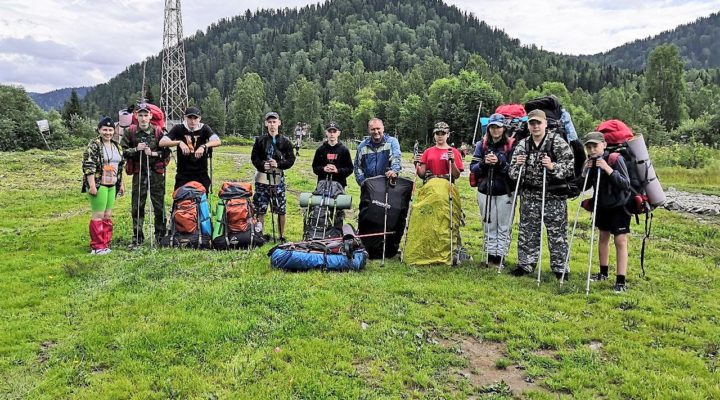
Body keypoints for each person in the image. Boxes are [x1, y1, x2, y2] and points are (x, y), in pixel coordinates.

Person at [508, 109, 574, 279]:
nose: (535, 126)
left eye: (538, 122)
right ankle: (526, 264)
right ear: (528, 125)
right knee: (527, 232)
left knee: (557, 234)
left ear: (545, 123)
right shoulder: (523, 145)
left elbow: (570, 167)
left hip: (553, 197)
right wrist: (518, 165)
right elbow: (512, 174)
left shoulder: (557, 143)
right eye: (532, 123)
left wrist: (553, 167)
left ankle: (560, 268)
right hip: (530, 195)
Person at [581, 132, 632, 292]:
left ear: (603, 144)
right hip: (601, 205)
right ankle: (603, 273)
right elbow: (586, 185)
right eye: (589, 147)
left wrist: (607, 169)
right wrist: (585, 171)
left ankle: (621, 281)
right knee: (603, 237)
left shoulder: (615, 159)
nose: (592, 150)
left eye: (595, 146)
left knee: (620, 241)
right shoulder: (591, 161)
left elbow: (625, 184)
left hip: (620, 205)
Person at [470, 113, 516, 268]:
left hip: (505, 191)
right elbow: (473, 168)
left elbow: (514, 172)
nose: (495, 130)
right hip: (485, 190)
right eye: (492, 127)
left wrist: (499, 164)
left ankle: (500, 256)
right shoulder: (481, 145)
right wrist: (484, 163)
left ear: (504, 128)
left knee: (504, 225)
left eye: (498, 127)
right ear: (488, 129)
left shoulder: (511, 146)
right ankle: (490, 257)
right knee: (488, 223)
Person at [120, 102, 168, 247]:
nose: (143, 118)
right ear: (135, 116)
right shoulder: (130, 132)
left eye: (145, 115)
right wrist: (136, 149)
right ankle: (137, 239)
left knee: (159, 206)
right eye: (140, 115)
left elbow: (166, 154)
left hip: (156, 174)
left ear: (150, 116)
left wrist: (152, 153)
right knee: (137, 206)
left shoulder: (159, 132)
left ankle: (160, 237)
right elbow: (122, 151)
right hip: (139, 173)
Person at [250, 111, 296, 242]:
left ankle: (281, 236)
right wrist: (261, 165)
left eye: (274, 122)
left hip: (278, 179)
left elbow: (291, 160)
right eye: (269, 122)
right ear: (266, 124)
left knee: (281, 208)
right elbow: (254, 158)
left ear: (279, 123)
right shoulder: (259, 141)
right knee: (260, 207)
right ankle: (259, 234)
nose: (272, 125)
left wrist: (279, 164)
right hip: (262, 179)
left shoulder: (285, 142)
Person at [82, 117, 125, 255]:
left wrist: (121, 184)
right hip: (99, 184)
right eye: (105, 129)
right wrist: (92, 185)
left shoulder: (117, 146)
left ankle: (105, 243)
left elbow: (120, 167)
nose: (108, 132)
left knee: (107, 214)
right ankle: (97, 246)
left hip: (112, 184)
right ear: (99, 130)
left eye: (110, 129)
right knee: (98, 214)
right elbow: (89, 165)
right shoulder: (94, 145)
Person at [159, 106, 221, 193]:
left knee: (202, 201)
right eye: (190, 118)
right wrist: (179, 142)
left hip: (201, 172)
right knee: (180, 199)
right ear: (185, 118)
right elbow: (162, 142)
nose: (193, 121)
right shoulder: (178, 128)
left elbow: (217, 141)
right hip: (183, 173)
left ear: (199, 118)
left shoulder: (204, 128)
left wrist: (204, 146)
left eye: (195, 118)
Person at [354, 118, 401, 186]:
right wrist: (362, 182)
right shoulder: (362, 146)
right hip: (368, 187)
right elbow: (357, 166)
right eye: (373, 129)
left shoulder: (392, 142)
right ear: (369, 130)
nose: (376, 131)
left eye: (378, 128)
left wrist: (394, 171)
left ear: (383, 128)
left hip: (387, 185)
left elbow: (396, 158)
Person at [311, 121, 353, 188]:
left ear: (338, 133)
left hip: (339, 185)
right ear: (326, 133)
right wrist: (323, 169)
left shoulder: (344, 150)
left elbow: (350, 169)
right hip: (322, 185)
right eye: (330, 131)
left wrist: (337, 171)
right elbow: (315, 167)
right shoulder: (320, 150)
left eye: (334, 132)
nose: (332, 134)